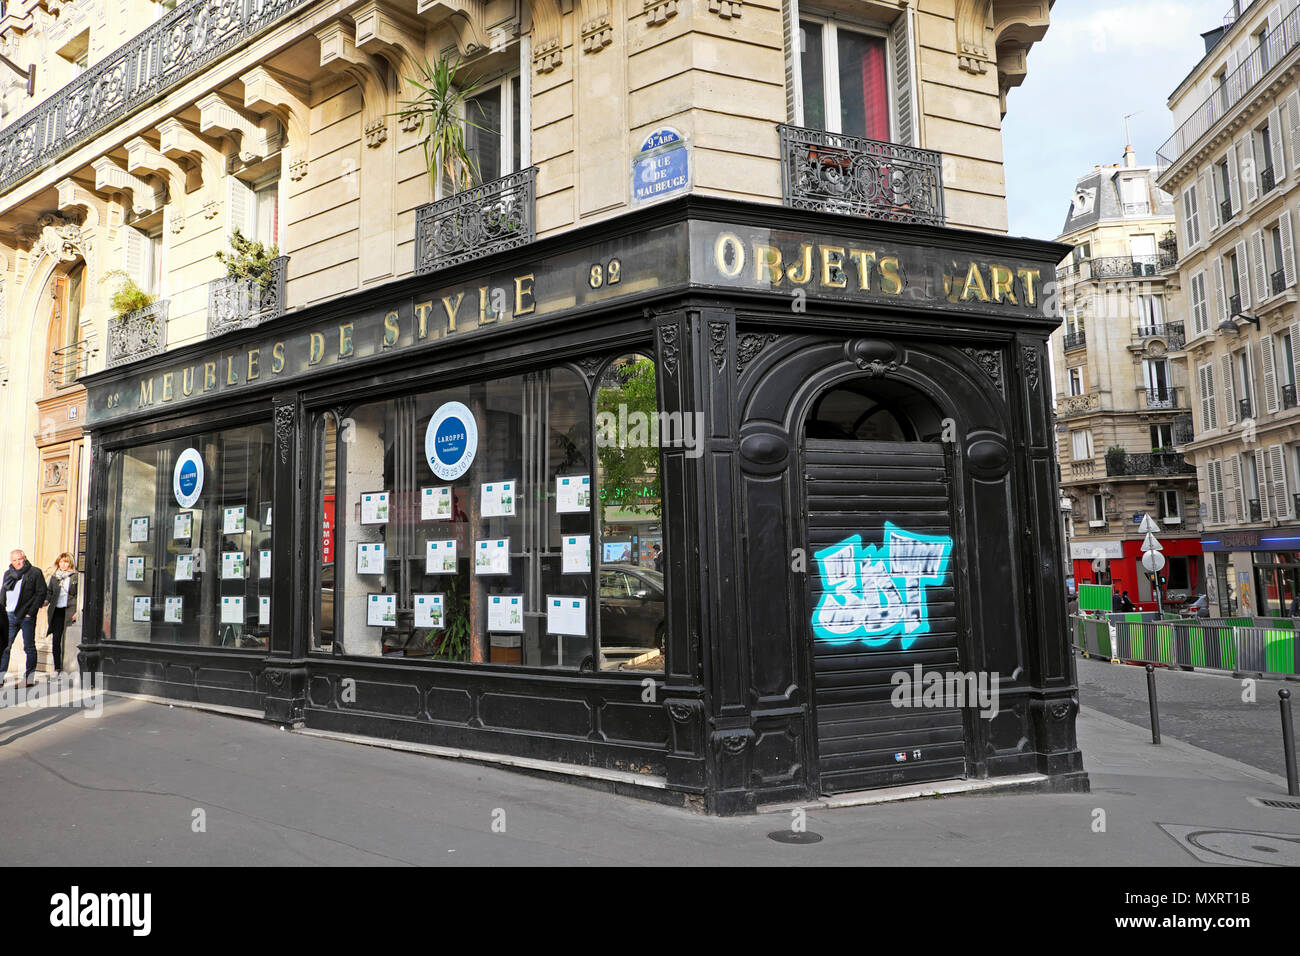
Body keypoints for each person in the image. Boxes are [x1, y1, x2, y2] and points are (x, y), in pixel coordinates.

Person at [2, 549, 47, 687]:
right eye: (14, 560)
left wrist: (31, 612)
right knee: (5, 647)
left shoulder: (34, 572)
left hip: (26, 615)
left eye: (19, 559)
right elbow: (3, 591)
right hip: (9, 615)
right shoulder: (8, 573)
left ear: (25, 558)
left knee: (29, 647)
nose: (17, 562)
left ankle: (28, 678)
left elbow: (41, 593)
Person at [45, 552, 78, 677]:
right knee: (56, 639)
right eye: (61, 562)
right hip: (57, 611)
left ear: (70, 563)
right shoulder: (54, 577)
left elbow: (80, 595)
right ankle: (57, 667)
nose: (63, 564)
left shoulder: (75, 577)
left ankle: (70, 667)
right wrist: (45, 601)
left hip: (70, 610)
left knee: (69, 639)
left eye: (66, 562)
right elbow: (49, 592)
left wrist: (77, 611)